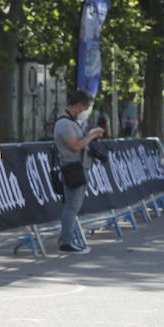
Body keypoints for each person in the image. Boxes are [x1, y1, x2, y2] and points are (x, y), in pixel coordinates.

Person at [52, 90, 102, 254]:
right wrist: (91, 135)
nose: (84, 111)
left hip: (78, 167)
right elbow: (74, 146)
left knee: (74, 205)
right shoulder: (64, 124)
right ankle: (66, 242)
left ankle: (66, 238)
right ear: (79, 105)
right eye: (85, 107)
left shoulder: (71, 122)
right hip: (72, 168)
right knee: (72, 207)